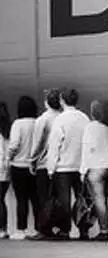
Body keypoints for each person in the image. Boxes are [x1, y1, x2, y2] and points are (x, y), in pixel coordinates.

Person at [46, 88, 90, 239]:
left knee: (64, 200)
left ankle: (65, 230)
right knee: (82, 199)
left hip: (63, 166)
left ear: (62, 101)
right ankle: (83, 229)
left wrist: (50, 168)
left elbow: (54, 145)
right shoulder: (84, 118)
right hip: (80, 166)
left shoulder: (60, 119)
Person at [80, 100, 108, 241]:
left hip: (96, 168)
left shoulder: (91, 127)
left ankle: (103, 230)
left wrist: (83, 170)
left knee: (99, 200)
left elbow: (87, 150)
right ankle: (106, 229)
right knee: (106, 200)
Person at [30, 89, 62, 239]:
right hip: (60, 164)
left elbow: (37, 144)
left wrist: (32, 160)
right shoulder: (62, 117)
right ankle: (59, 228)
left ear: (46, 103)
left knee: (43, 198)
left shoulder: (42, 120)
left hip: (44, 164)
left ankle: (44, 229)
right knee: (58, 198)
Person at [7, 97, 40, 239]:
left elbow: (14, 144)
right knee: (35, 199)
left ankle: (21, 229)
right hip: (35, 166)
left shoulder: (18, 124)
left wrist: (9, 157)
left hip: (18, 166)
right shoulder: (38, 123)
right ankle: (39, 228)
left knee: (21, 199)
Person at [0, 103, 11, 239]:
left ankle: (2, 228)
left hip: (0, 167)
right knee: (1, 199)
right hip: (7, 170)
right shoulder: (8, 129)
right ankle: (3, 228)